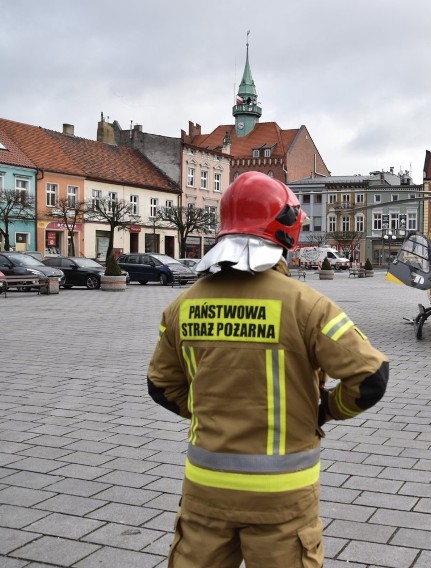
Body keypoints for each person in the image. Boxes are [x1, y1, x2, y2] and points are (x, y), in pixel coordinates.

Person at [147, 172, 389, 568]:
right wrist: (325, 410)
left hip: (205, 490)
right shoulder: (307, 305)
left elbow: (160, 386)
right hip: (282, 497)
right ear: (287, 231)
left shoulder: (182, 306)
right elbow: (371, 376)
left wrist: (210, 408)